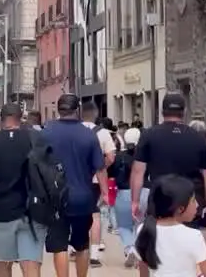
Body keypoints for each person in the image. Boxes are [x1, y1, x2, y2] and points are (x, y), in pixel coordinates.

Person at [0, 103, 45, 277]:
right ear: (21, 118)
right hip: (34, 210)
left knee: (4, 263)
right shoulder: (37, 139)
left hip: (2, 210)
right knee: (31, 263)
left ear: (0, 119)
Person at [130, 95, 206, 235]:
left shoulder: (149, 135)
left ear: (162, 111)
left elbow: (138, 171)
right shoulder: (198, 137)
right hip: (189, 201)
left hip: (159, 199)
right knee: (188, 244)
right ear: (184, 111)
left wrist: (135, 201)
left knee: (159, 245)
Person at [43, 95, 110, 277]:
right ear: (77, 110)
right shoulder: (88, 135)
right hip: (83, 196)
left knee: (60, 246)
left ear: (59, 109)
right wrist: (105, 193)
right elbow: (100, 168)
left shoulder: (46, 133)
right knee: (82, 244)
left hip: (55, 198)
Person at [134, 175, 206, 277]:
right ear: (180, 209)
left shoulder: (143, 229)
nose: (197, 205)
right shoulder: (193, 235)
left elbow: (143, 273)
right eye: (193, 201)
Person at [81, 102, 117, 267]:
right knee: (95, 216)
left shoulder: (74, 131)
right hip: (96, 181)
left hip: (75, 179)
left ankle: (76, 248)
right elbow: (110, 157)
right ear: (96, 115)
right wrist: (99, 167)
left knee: (76, 213)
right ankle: (94, 255)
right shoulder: (103, 133)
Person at [116, 126, 141, 266]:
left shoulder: (120, 157)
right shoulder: (145, 157)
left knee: (124, 226)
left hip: (123, 193)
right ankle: (138, 249)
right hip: (142, 192)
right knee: (139, 224)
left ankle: (129, 247)